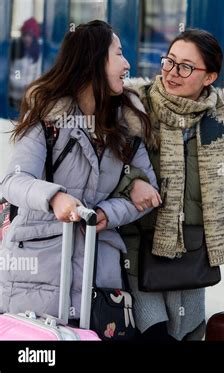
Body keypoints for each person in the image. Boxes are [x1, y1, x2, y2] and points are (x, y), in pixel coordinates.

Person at [114, 29, 224, 341]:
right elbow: (104, 175)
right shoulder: (135, 110)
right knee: (153, 334)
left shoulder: (217, 120)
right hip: (141, 250)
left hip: (190, 255)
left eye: (186, 67)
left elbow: (204, 188)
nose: (172, 73)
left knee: (187, 333)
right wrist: (131, 184)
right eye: (169, 62)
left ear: (209, 76)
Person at [0, 20, 159, 322]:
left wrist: (107, 213)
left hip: (97, 274)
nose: (127, 64)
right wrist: (55, 198)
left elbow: (149, 191)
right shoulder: (48, 119)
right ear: (94, 60)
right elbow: (13, 181)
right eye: (119, 54)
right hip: (38, 270)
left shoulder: (126, 125)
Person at [9, 17, 42, 109]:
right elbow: (12, 74)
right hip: (14, 99)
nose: (26, 38)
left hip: (29, 101)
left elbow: (38, 75)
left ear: (34, 37)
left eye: (30, 35)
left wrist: (30, 86)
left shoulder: (38, 55)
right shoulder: (16, 51)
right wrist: (23, 83)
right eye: (25, 35)